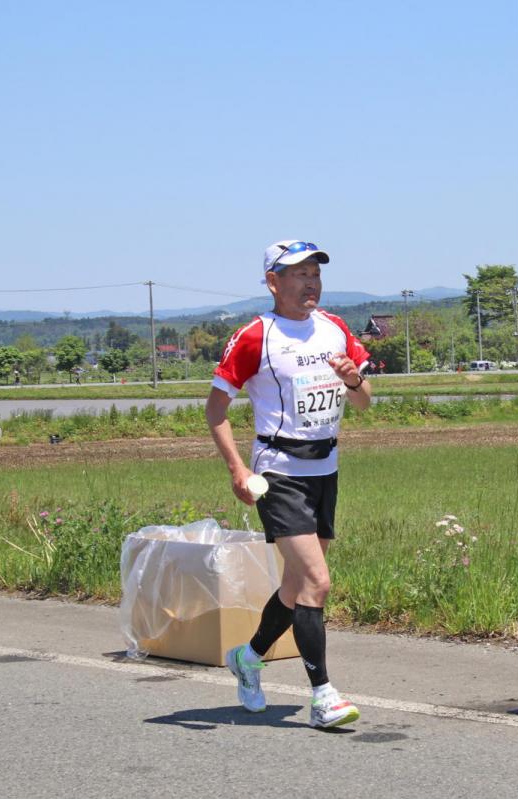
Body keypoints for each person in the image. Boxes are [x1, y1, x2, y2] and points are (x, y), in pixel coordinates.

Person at [206, 240, 371, 729]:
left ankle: (248, 657)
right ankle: (323, 697)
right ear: (273, 282)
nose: (310, 282)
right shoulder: (256, 335)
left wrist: (353, 381)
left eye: (314, 273)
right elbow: (215, 410)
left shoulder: (335, 328)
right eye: (298, 274)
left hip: (325, 468)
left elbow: (365, 402)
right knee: (318, 582)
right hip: (278, 472)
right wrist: (238, 470)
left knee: (296, 585)